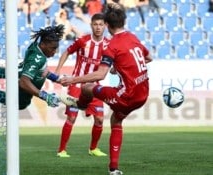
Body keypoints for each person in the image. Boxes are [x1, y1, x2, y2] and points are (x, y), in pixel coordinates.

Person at [59, 3, 153, 175]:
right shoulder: (133, 37)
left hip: (126, 96)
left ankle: (80, 104)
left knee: (87, 87)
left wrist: (73, 79)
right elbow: (149, 57)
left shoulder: (112, 46)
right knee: (116, 120)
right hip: (143, 93)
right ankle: (113, 169)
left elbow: (100, 75)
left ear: (107, 26)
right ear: (124, 22)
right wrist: (121, 67)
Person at [0, 25, 65, 110]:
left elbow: (42, 70)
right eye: (53, 48)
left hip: (19, 71)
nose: (54, 51)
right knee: (18, 103)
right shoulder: (38, 58)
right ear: (42, 44)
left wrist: (56, 79)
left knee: (8, 72)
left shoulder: (35, 47)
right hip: (23, 80)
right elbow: (24, 82)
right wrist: (45, 96)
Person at [55, 13, 109, 158]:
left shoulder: (108, 45)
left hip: (94, 87)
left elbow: (113, 64)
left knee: (99, 119)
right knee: (71, 118)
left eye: (101, 24)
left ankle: (93, 148)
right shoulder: (83, 41)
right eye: (95, 24)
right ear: (91, 25)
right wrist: (58, 71)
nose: (98, 27)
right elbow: (66, 52)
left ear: (105, 26)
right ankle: (61, 150)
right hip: (76, 85)